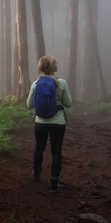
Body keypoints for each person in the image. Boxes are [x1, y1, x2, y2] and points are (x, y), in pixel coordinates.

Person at [26, 55, 72, 193]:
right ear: (54, 68)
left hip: (40, 122)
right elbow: (68, 104)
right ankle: (54, 183)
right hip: (57, 123)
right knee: (56, 152)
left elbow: (29, 105)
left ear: (40, 68)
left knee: (39, 148)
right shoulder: (61, 83)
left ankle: (36, 175)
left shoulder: (35, 84)